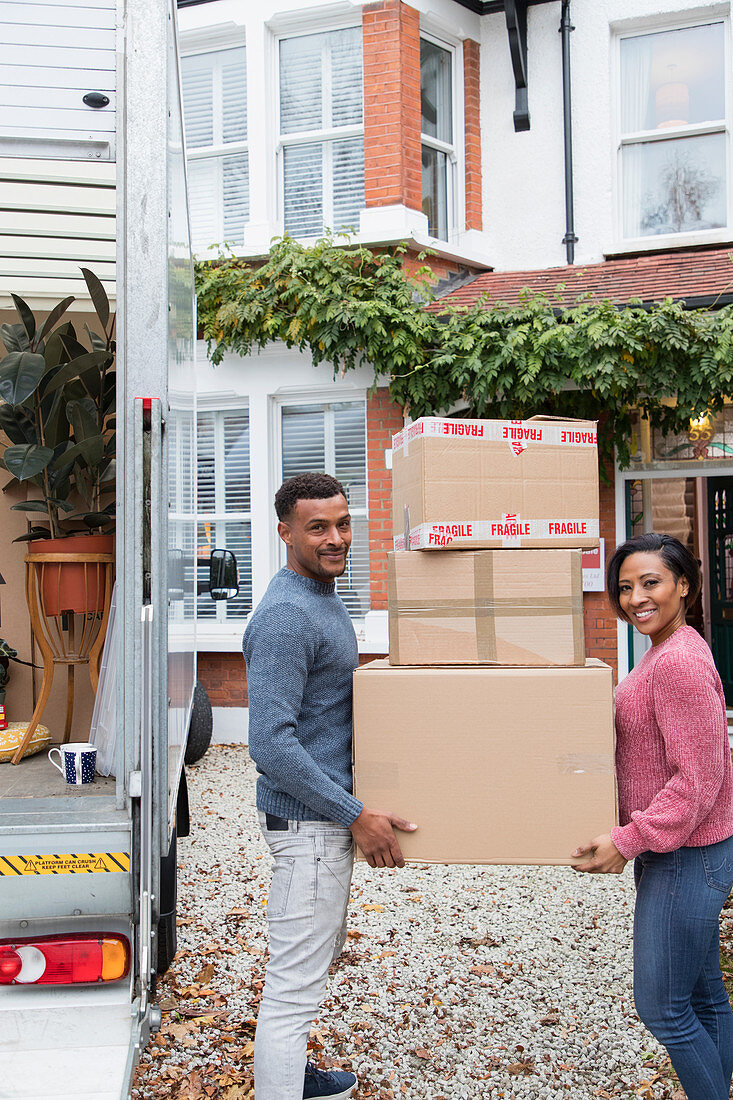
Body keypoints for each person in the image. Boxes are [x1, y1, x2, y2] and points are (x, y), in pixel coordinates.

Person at [243, 472, 417, 1100]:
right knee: (292, 987)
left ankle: (291, 1078)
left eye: (343, 523)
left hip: (319, 824)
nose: (336, 537)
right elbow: (270, 742)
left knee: (307, 968)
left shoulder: (321, 596)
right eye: (318, 527)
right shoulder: (288, 615)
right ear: (285, 531)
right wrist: (354, 813)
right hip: (310, 827)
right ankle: (280, 1085)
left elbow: (322, 700)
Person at [573, 532, 733, 1100]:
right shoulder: (669, 648)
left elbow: (696, 782)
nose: (636, 597)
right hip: (694, 851)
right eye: (624, 587)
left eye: (651, 582)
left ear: (684, 586)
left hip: (686, 857)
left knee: (663, 1008)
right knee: (703, 997)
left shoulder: (678, 663)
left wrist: (630, 838)